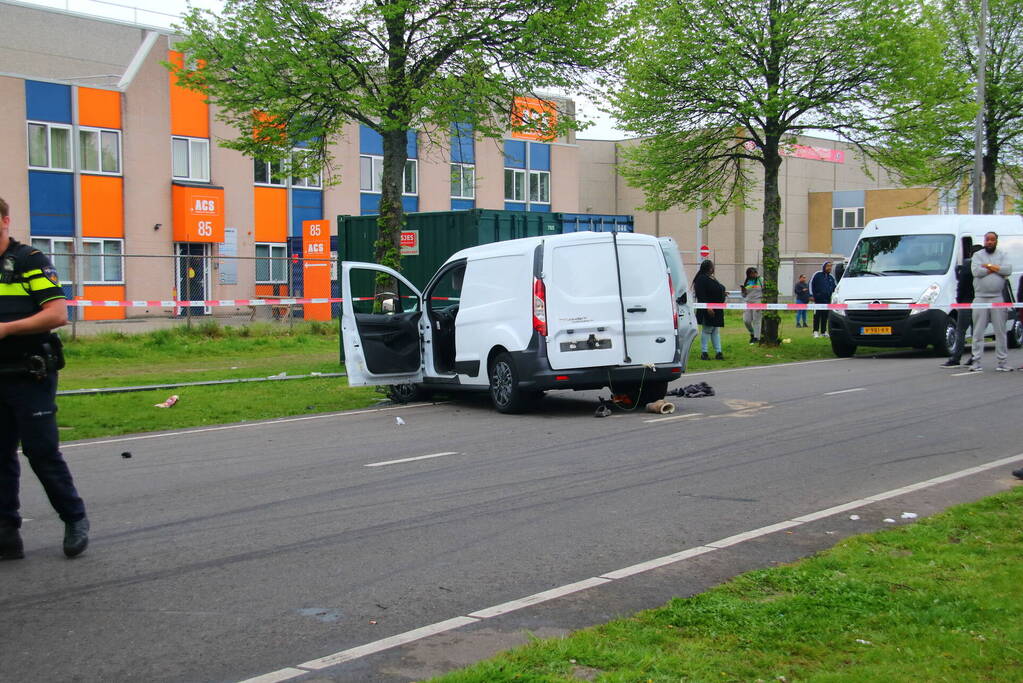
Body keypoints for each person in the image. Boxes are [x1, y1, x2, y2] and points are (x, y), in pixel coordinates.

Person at [0, 196, 89, 560]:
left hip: (30, 373)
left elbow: (57, 314)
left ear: (5, 221)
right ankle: (6, 534)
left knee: (41, 451)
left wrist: (6, 329)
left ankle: (74, 518)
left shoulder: (29, 261)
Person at [970, 231, 1012, 372]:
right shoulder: (977, 255)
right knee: (978, 331)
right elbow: (976, 272)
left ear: (996, 241)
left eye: (992, 240)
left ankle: (1002, 362)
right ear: (984, 241)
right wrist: (996, 268)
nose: (989, 242)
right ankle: (976, 361)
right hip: (980, 297)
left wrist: (987, 266)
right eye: (987, 239)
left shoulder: (1002, 254)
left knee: (1000, 331)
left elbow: (1008, 270)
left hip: (997, 297)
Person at [941, 242, 977, 367]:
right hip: (980, 301)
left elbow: (961, 284)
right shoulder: (985, 266)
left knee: (961, 330)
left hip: (966, 301)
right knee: (976, 331)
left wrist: (959, 300)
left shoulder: (968, 264)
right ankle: (975, 357)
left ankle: (956, 358)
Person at [692, 259, 726, 360]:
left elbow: (716, 289)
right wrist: (708, 307)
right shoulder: (701, 279)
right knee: (707, 330)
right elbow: (701, 295)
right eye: (712, 266)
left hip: (717, 308)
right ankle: (704, 352)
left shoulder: (711, 277)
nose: (713, 268)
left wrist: (722, 293)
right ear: (710, 268)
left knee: (715, 331)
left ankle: (718, 352)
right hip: (708, 309)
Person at [810, 261, 836, 338]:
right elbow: (811, 284)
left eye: (830, 266)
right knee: (817, 316)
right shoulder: (817, 275)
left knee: (825, 316)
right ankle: (815, 331)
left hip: (827, 300)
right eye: (828, 266)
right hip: (818, 300)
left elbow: (835, 288)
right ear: (824, 267)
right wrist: (811, 295)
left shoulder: (831, 277)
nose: (829, 268)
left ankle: (823, 332)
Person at [740, 266, 763, 344]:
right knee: (746, 320)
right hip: (748, 302)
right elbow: (744, 295)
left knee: (756, 320)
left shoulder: (761, 280)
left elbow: (765, 290)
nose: (754, 275)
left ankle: (757, 338)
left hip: (758, 301)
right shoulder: (747, 282)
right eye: (752, 273)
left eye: (755, 273)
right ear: (748, 274)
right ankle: (752, 333)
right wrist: (743, 291)